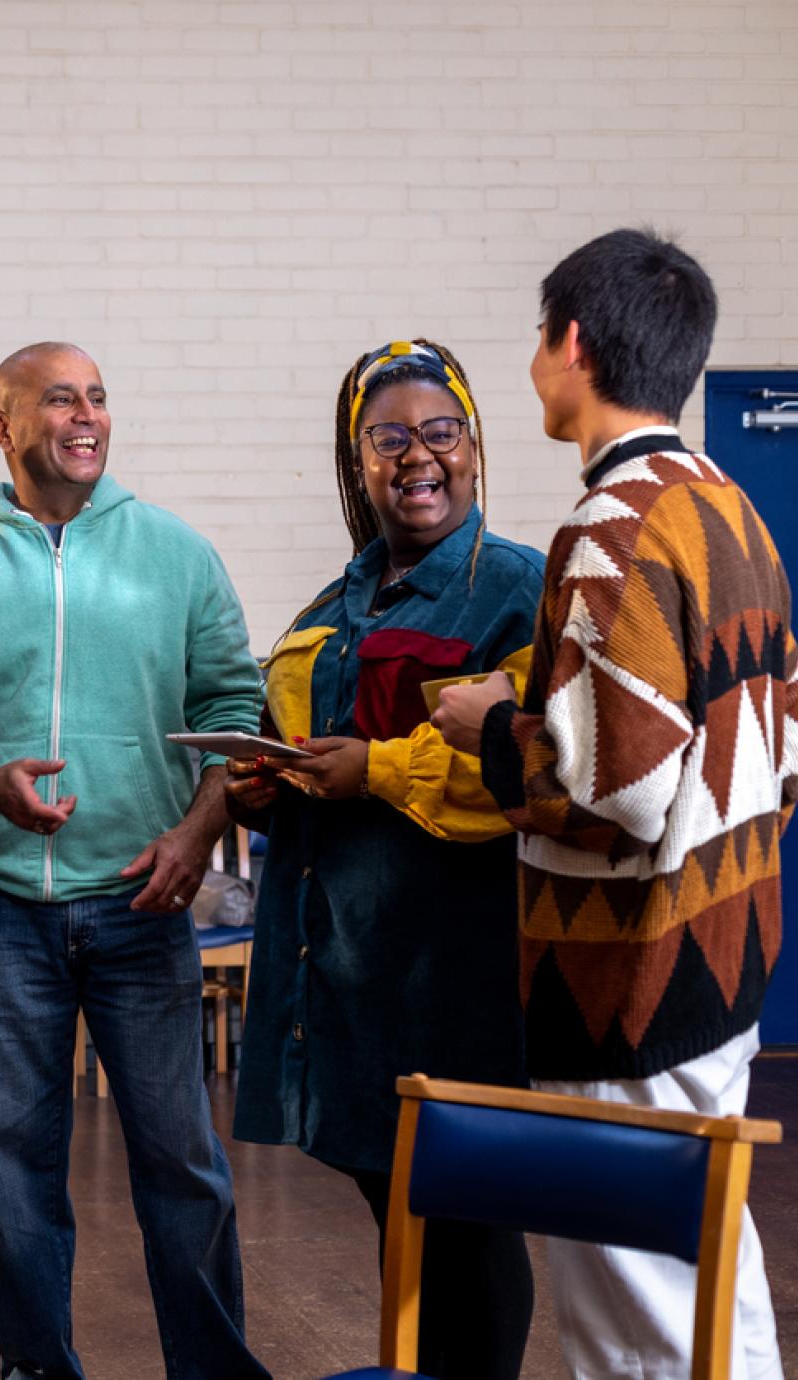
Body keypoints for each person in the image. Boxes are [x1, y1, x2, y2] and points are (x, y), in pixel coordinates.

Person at [0, 343, 267, 1380]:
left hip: (142, 898)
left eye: (96, 397)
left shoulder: (175, 555)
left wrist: (194, 835)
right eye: (58, 399)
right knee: (11, 1173)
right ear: (2, 427)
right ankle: (36, 1371)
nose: (84, 415)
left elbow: (234, 713)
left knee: (181, 1165)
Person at [436, 228, 793, 1379]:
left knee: (626, 1325)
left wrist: (486, 725)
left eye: (537, 338)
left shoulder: (606, 531)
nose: (531, 363)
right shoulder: (726, 506)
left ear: (571, 344)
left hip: (626, 982)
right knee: (708, 1285)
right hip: (722, 956)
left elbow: (618, 796)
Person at [225, 339, 544, 1378]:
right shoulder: (328, 611)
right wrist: (264, 786)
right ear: (354, 461)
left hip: (451, 977)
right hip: (342, 978)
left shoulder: (518, 593)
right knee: (399, 1215)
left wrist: (377, 769)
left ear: (473, 445)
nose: (417, 457)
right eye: (388, 438)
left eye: (438, 432)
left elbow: (527, 771)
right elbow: (311, 771)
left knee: (467, 1225)